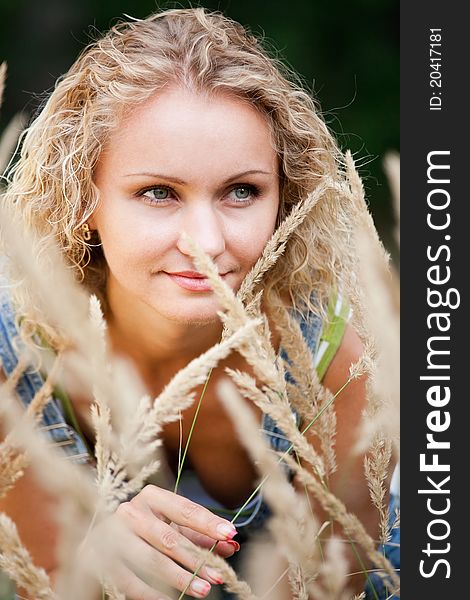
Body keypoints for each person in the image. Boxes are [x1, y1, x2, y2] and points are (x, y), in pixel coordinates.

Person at [0, 7, 398, 599]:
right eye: (158, 193)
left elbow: (330, 587)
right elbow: (49, 580)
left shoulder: (339, 359)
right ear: (84, 198)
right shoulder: (17, 359)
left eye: (243, 191)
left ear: (284, 200)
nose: (207, 244)